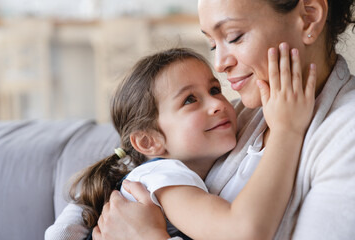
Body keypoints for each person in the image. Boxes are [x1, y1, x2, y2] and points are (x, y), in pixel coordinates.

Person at [92, 0, 355, 239]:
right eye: (213, 44)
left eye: (234, 36)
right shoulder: (240, 114)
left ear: (309, 17)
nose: (219, 64)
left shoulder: (345, 134)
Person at [45, 46, 315, 240]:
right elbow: (242, 231)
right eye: (189, 100)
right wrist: (285, 131)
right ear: (149, 142)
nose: (218, 105)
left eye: (214, 90)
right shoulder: (162, 177)